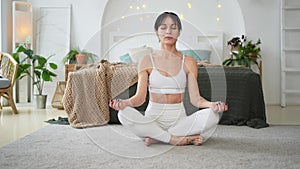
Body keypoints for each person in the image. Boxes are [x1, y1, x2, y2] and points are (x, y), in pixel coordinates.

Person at [109, 11, 228, 146]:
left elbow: (196, 99)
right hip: (152, 119)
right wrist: (125, 103)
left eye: (173, 27)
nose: (168, 32)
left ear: (179, 32)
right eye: (163, 27)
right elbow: (140, 98)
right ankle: (176, 139)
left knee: (213, 115)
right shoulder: (146, 60)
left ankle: (157, 137)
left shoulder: (189, 62)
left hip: (179, 120)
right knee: (123, 114)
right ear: (156, 32)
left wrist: (212, 105)